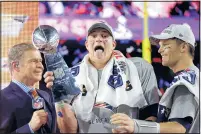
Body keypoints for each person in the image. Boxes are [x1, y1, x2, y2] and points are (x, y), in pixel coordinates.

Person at [44, 21, 160, 133]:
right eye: (93, 36)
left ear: (113, 44)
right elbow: (68, 130)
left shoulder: (138, 68)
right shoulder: (69, 77)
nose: (99, 39)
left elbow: (152, 113)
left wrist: (136, 128)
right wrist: (59, 97)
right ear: (87, 45)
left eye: (104, 36)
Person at [110, 23, 199, 133]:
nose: (159, 50)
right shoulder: (192, 76)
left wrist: (135, 126)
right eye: (160, 46)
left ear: (183, 47)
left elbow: (179, 127)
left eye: (165, 45)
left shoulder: (186, 82)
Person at [0, 43, 58, 133]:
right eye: (34, 61)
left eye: (40, 61)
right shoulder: (2, 98)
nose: (41, 66)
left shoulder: (46, 95)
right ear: (16, 66)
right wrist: (30, 128)